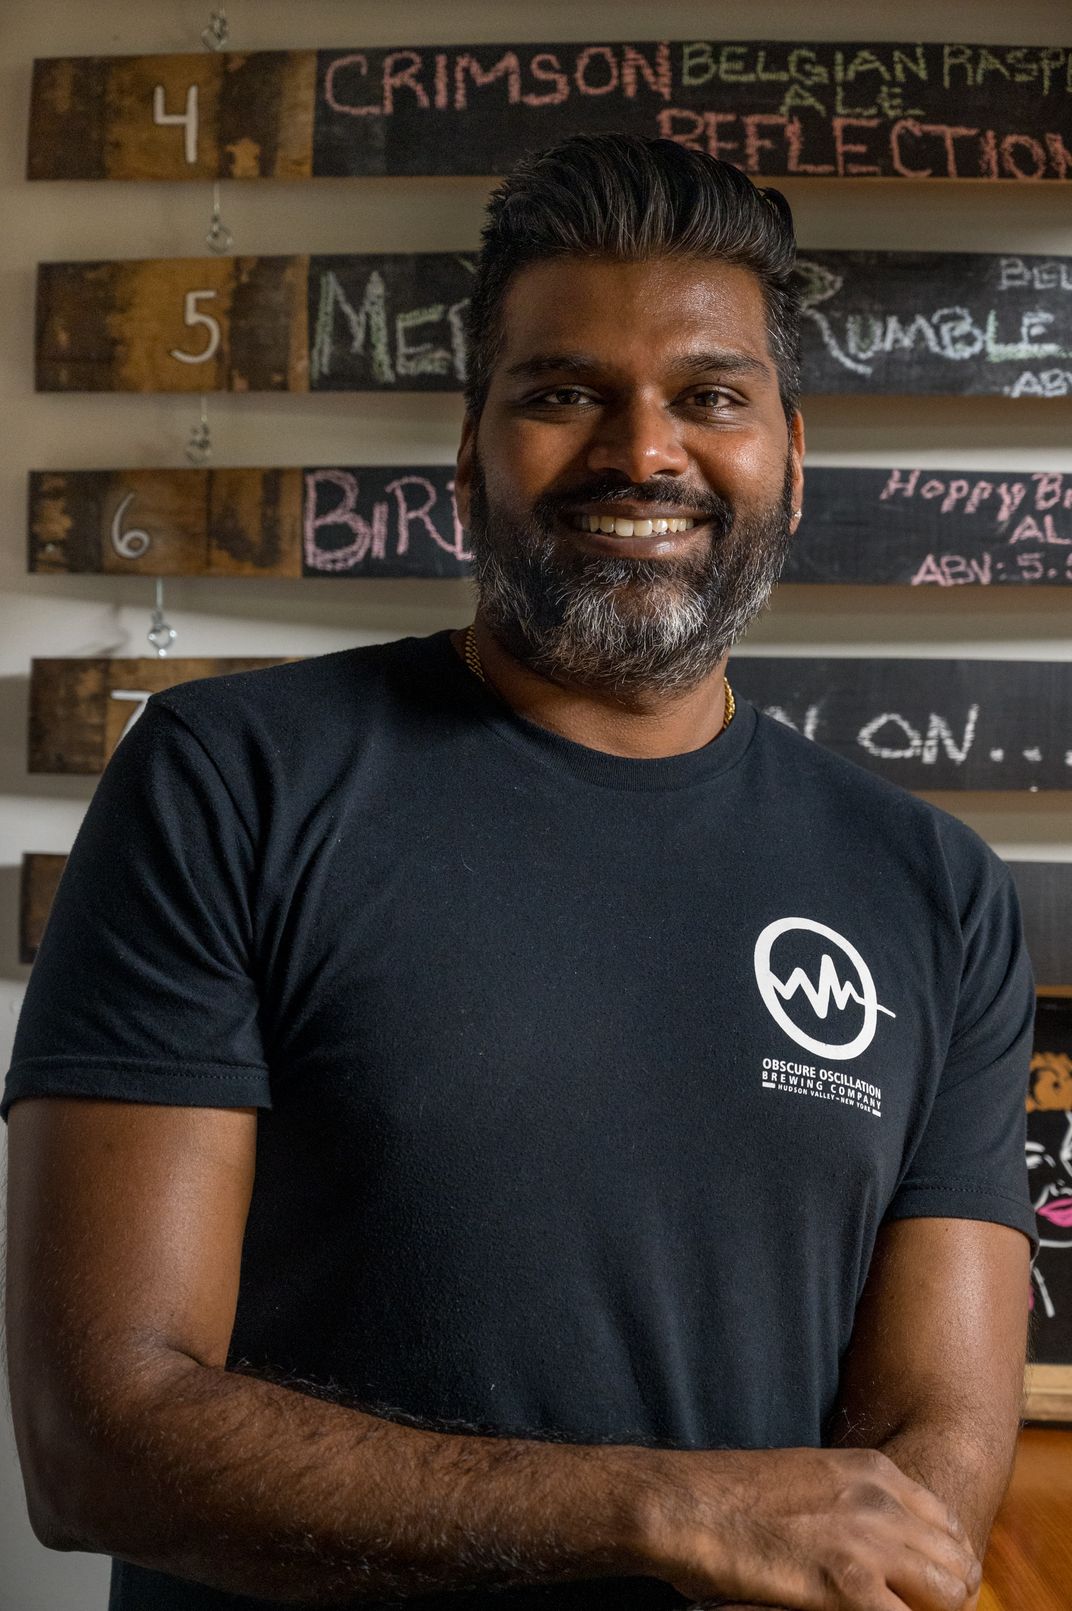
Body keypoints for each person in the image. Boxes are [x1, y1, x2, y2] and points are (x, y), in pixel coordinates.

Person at [4, 134, 1037, 1611]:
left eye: (711, 398)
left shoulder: (932, 889)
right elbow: (95, 1437)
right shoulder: (229, 780)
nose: (642, 451)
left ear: (791, 463)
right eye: (562, 393)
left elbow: (935, 1448)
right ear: (467, 454)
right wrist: (662, 1510)